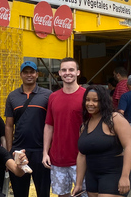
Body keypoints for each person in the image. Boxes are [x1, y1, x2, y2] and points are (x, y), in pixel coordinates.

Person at [73, 85, 131, 197]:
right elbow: (81, 155)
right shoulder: (84, 125)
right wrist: (78, 183)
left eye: (95, 100)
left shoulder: (115, 119)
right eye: (87, 100)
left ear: (104, 101)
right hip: (92, 176)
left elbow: (129, 147)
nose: (90, 103)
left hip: (113, 174)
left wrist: (125, 177)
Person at [5, 61, 52, 197]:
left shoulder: (48, 95)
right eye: (25, 72)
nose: (29, 75)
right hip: (19, 152)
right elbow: (9, 125)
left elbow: (52, 123)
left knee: (43, 193)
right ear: (21, 75)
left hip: (41, 151)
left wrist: (49, 150)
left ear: (37, 74)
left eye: (32, 72)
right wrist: (10, 151)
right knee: (20, 193)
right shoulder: (12, 96)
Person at [42, 57, 86, 197]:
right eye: (64, 70)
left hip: (82, 158)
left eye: (71, 70)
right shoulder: (53, 97)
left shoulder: (87, 96)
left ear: (78, 72)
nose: (68, 73)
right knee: (62, 195)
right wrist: (45, 153)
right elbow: (49, 126)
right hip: (58, 159)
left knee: (85, 194)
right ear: (59, 73)